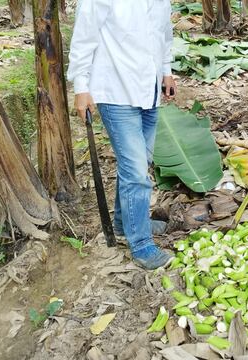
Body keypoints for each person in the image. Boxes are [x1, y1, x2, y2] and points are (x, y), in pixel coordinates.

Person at [67, 0, 176, 269]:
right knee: (137, 171)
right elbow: (84, 35)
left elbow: (163, 34)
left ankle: (122, 223)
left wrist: (166, 72)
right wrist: (81, 87)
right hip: (115, 90)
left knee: (137, 165)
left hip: (148, 91)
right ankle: (140, 244)